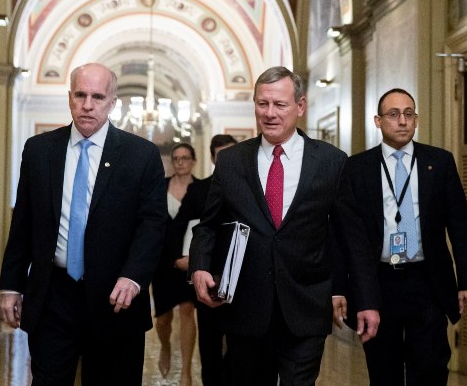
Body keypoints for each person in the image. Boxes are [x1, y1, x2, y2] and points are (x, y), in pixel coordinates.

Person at [189, 66, 380, 385]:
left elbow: (353, 239)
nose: (270, 113)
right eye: (262, 104)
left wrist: (367, 301)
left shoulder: (331, 161)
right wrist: (199, 266)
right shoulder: (232, 161)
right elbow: (207, 226)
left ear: (300, 106)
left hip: (306, 307)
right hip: (246, 309)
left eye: (280, 105)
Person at [0, 62, 168, 385]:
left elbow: (153, 226)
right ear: (69, 98)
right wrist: (11, 284)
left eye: (98, 97)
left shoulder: (140, 155)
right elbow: (23, 222)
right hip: (53, 296)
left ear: (112, 102)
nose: (88, 105)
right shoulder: (39, 151)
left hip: (116, 299)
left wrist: (134, 277)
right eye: (80, 95)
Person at [335, 88, 467, 386]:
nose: (402, 121)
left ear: (416, 119)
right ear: (378, 121)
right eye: (393, 114)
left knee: (430, 368)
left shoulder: (439, 162)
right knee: (383, 370)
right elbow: (344, 235)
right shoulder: (357, 168)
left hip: (426, 281)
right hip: (378, 283)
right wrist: (340, 289)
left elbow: (460, 225)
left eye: (409, 114)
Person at [168, 134, 237, 386]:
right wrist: (180, 259)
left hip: (244, 278)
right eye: (222, 156)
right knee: (210, 342)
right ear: (212, 158)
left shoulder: (254, 185)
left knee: (243, 344)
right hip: (209, 277)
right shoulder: (199, 189)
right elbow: (178, 227)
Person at [151, 143, 198, 386]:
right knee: (163, 318)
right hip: (163, 262)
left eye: (185, 158)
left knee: (188, 310)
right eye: (176, 158)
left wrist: (195, 258)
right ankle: (165, 347)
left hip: (190, 261)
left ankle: (186, 371)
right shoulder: (160, 187)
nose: (180, 162)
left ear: (193, 161)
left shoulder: (201, 189)